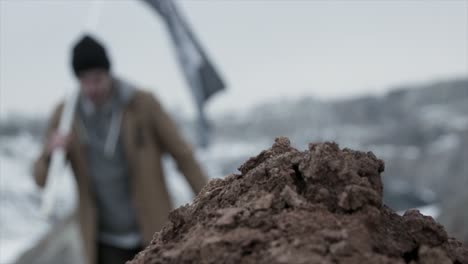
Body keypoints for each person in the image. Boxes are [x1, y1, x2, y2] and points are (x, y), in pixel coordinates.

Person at [33, 34, 208, 264]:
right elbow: (41, 180)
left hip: (154, 232)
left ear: (108, 73)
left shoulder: (142, 104)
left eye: (97, 78)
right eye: (84, 80)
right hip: (103, 242)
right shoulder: (66, 117)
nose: (91, 87)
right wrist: (50, 152)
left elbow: (183, 155)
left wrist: (210, 201)